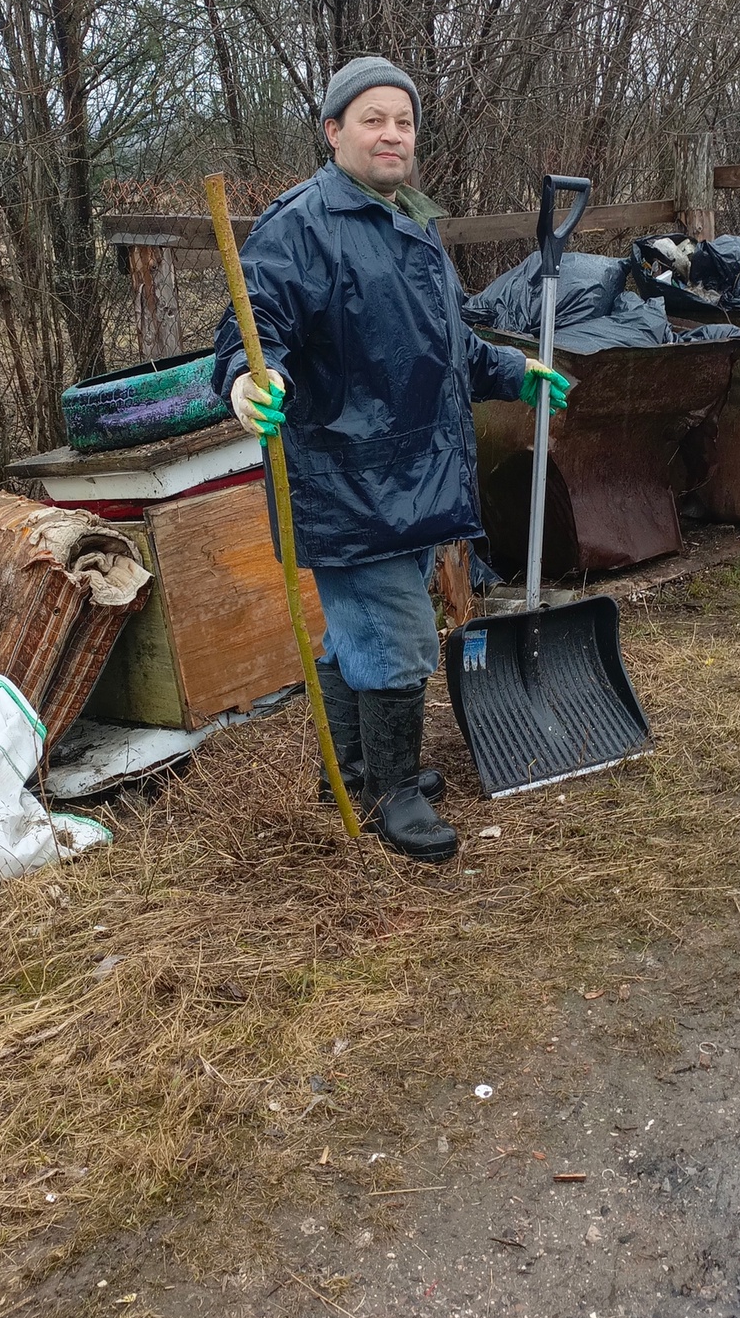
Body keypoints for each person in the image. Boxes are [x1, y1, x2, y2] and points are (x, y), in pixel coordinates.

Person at [211, 55, 571, 862]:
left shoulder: (409, 220)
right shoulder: (300, 226)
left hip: (420, 480)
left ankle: (360, 767)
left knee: (357, 638)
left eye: (403, 122)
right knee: (398, 640)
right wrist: (248, 377)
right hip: (349, 483)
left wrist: (515, 371)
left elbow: (443, 345)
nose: (392, 134)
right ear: (334, 131)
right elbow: (253, 324)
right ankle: (393, 797)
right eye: (373, 119)